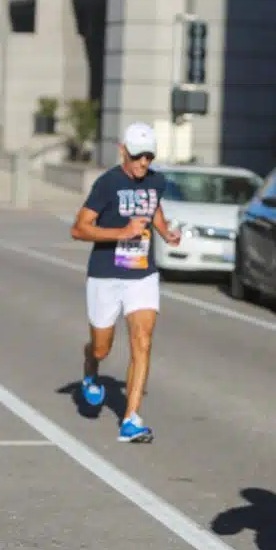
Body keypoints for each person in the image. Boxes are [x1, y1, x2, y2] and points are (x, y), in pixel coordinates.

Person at [69, 122, 181, 442]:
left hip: (141, 274)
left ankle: (131, 419)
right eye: (137, 156)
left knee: (142, 341)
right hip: (105, 274)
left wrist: (165, 232)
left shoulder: (156, 182)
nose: (143, 163)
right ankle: (91, 368)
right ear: (123, 152)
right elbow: (79, 229)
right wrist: (122, 232)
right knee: (102, 347)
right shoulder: (107, 184)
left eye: (149, 157)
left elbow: (153, 207)